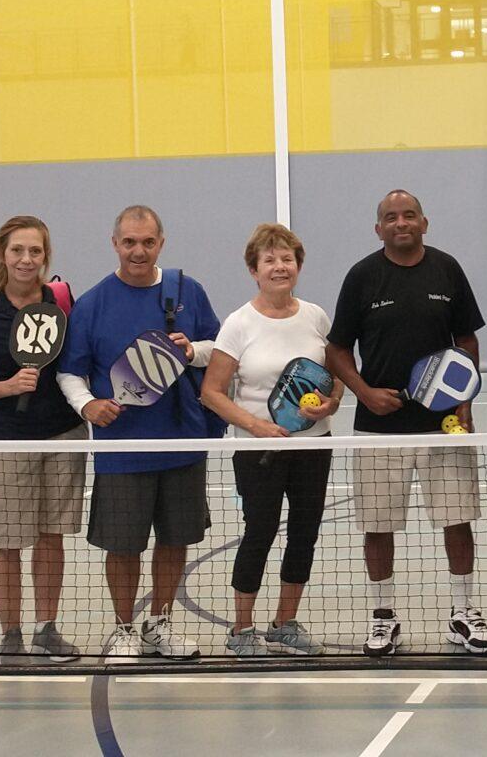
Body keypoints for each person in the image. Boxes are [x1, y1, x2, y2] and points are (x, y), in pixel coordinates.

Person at [326, 190, 487, 657]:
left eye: (409, 215)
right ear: (378, 228)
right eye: (390, 217)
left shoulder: (447, 269)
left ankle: (464, 612)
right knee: (378, 526)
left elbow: (466, 338)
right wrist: (364, 392)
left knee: (457, 519)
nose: (401, 223)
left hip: (443, 425)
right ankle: (384, 617)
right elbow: (337, 349)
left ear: (425, 222)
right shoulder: (362, 277)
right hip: (378, 427)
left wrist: (463, 402)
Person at [57, 205, 220, 660]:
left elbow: (219, 351)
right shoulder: (92, 304)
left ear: (160, 243)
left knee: (174, 539)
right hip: (122, 448)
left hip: (182, 442)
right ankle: (124, 627)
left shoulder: (189, 292)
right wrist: (87, 404)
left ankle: (160, 624)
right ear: (115, 244)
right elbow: (71, 373)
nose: (138, 251)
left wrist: (195, 351)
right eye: (129, 242)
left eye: (147, 242)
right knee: (124, 546)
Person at [201, 224, 341, 657]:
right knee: (258, 532)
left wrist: (330, 405)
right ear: (254, 270)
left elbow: (333, 379)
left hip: (313, 446)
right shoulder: (239, 324)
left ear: (297, 265)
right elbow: (211, 392)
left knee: (305, 533)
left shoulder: (315, 316)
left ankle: (285, 623)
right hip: (258, 450)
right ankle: (241, 629)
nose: (280, 267)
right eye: (270, 260)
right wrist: (256, 425)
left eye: (287, 259)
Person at [0, 216, 86, 664]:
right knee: (7, 540)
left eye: (35, 252)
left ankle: (45, 628)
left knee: (52, 537)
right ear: (2, 255)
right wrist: (8, 387)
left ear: (45, 256)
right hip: (7, 440)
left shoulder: (62, 304)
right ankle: (10, 634)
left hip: (63, 435)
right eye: (17, 251)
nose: (26, 259)